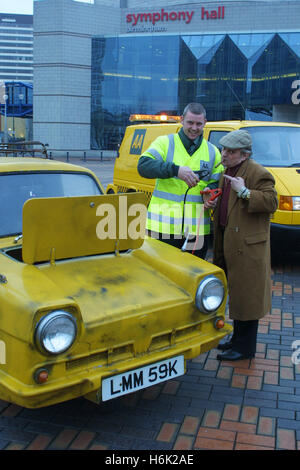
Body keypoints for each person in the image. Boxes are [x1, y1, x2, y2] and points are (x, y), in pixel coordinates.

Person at [211, 129, 278, 361]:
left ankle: (245, 348)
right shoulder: (227, 172)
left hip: (248, 248)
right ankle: (236, 340)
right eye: (223, 150)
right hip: (228, 242)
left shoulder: (259, 173)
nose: (224, 154)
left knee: (247, 298)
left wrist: (246, 192)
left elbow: (271, 202)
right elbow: (228, 204)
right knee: (237, 295)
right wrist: (213, 203)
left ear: (244, 154)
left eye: (231, 151)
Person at [137, 103, 223, 259]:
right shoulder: (164, 142)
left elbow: (217, 181)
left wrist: (209, 193)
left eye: (199, 124)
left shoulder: (213, 151)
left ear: (205, 123)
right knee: (160, 276)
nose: (194, 128)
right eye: (190, 122)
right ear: (182, 120)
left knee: (191, 276)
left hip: (196, 231)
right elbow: (143, 166)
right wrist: (176, 170)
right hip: (162, 229)